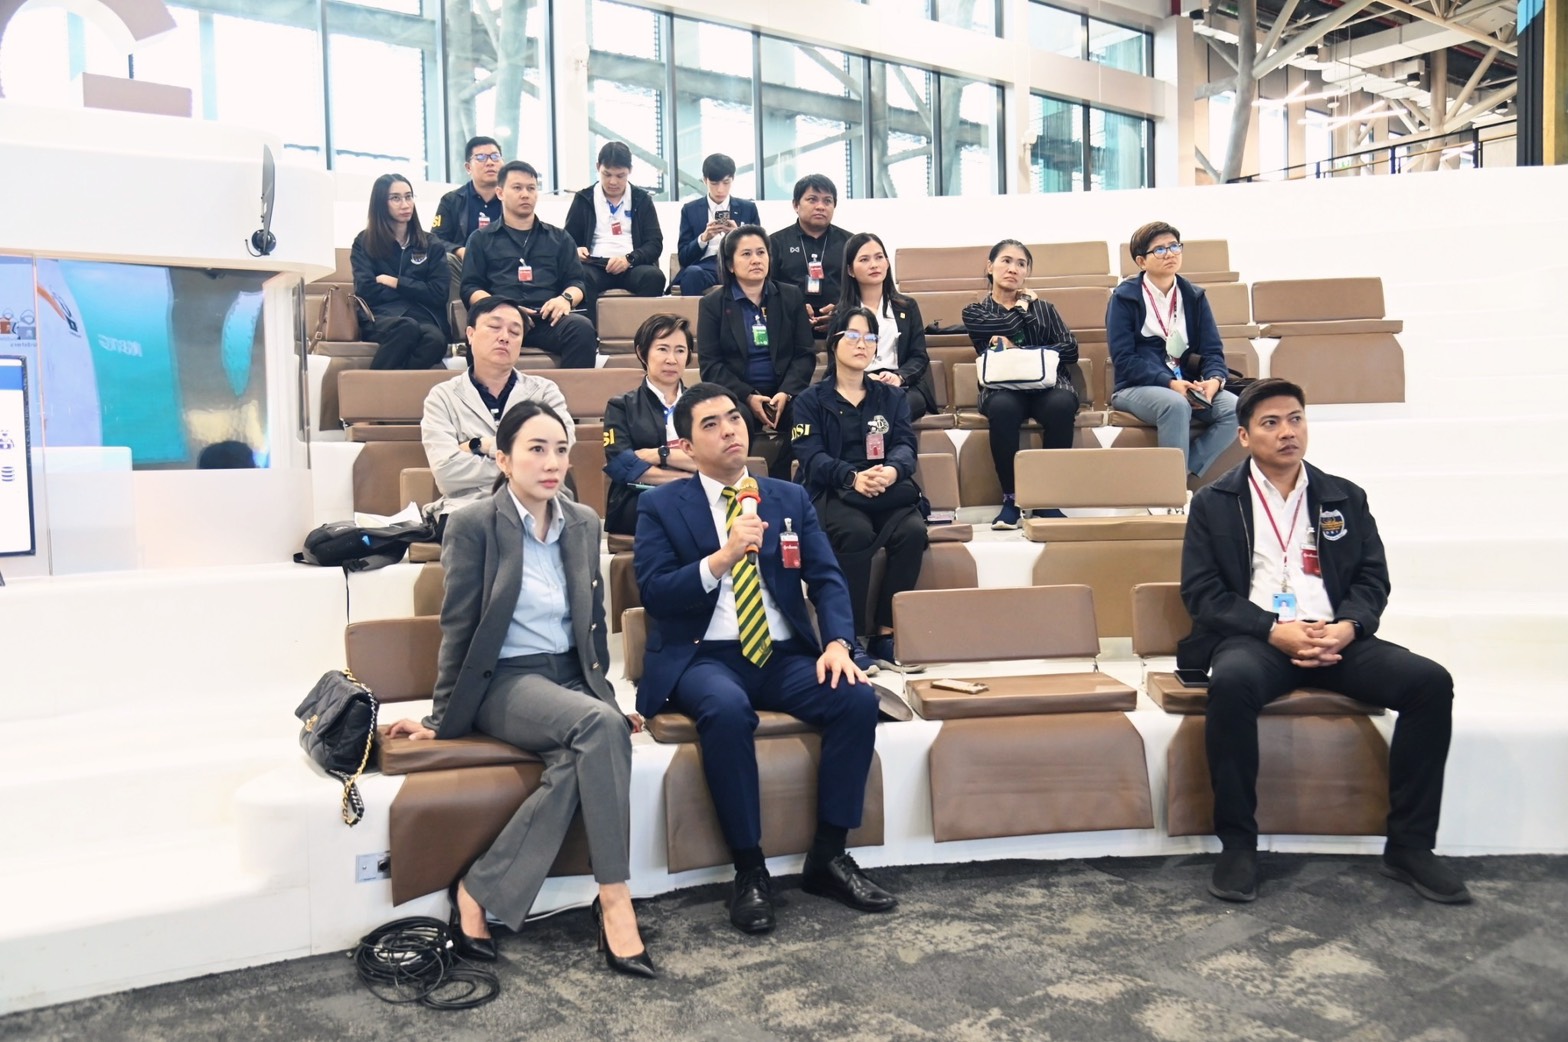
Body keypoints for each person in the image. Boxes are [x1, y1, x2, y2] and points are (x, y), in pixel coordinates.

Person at [386, 401, 657, 978]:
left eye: (561, 450)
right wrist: (441, 720)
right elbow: (459, 628)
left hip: (569, 679)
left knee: (587, 747)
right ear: (504, 460)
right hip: (505, 680)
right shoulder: (473, 525)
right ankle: (615, 899)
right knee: (599, 728)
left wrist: (604, 697)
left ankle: (478, 890)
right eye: (536, 449)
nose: (552, 462)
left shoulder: (583, 522)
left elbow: (591, 626)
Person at [1180, 378, 1468, 906]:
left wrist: (1349, 626)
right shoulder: (1213, 502)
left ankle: (1410, 847)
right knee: (1233, 685)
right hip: (1259, 638)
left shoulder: (1343, 496)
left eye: (1295, 419)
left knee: (1429, 683)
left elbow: (1372, 579)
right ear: (1243, 436)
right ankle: (1238, 845)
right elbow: (1203, 594)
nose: (1287, 432)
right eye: (1270, 423)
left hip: (1335, 635)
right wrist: (1272, 629)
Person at [633, 382, 897, 936]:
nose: (730, 430)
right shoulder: (660, 506)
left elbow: (826, 579)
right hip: (704, 657)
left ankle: (829, 856)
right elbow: (655, 593)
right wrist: (723, 556)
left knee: (854, 697)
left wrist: (837, 643)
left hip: (781, 654)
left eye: (734, 418)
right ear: (686, 446)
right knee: (726, 710)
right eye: (711, 424)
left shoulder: (788, 498)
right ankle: (749, 868)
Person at [792, 306, 928, 673]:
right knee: (854, 532)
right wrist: (852, 477)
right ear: (833, 341)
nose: (862, 344)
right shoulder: (810, 401)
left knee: (913, 532)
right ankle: (847, 638)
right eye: (852, 336)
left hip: (885, 487)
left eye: (870, 338)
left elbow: (905, 445)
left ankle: (885, 633)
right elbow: (810, 457)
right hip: (834, 490)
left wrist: (892, 471)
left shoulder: (891, 397)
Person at [961, 240, 1082, 530]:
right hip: (1001, 386)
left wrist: (1021, 350)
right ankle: (1011, 499)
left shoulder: (1047, 309)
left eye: (1021, 264)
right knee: (1002, 408)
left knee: (1062, 404)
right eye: (1006, 261)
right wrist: (1025, 305)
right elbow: (1009, 327)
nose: (1013, 269)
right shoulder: (976, 311)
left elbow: (1070, 349)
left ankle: (1046, 499)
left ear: (1027, 272)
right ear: (990, 267)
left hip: (1048, 385)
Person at [422, 296, 574, 523]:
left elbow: (560, 450)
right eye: (494, 327)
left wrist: (480, 445)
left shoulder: (544, 392)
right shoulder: (442, 397)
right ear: (470, 334)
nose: (504, 337)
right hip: (467, 509)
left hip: (539, 506)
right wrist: (525, 462)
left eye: (515, 332)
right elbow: (446, 473)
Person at [1107, 221, 1239, 481]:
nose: (1170, 254)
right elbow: (1124, 359)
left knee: (1235, 408)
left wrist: (1214, 380)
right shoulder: (1124, 298)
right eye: (1159, 250)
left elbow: (1213, 351)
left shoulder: (1194, 296)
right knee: (1175, 405)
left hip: (1187, 384)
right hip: (1136, 386)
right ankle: (1173, 490)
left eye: (1174, 246)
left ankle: (1178, 476)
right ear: (1141, 261)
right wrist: (1169, 383)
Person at [696, 224, 816, 479]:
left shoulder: (790, 296)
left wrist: (786, 393)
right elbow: (711, 365)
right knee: (736, 419)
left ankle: (784, 481)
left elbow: (804, 354)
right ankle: (741, 483)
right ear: (730, 265)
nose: (756, 260)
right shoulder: (713, 304)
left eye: (761, 253)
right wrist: (748, 396)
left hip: (785, 393)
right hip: (738, 395)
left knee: (807, 414)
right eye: (746, 254)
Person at [459, 160, 597, 370]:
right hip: (501, 318)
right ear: (500, 193)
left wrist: (565, 299)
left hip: (547, 319)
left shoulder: (560, 238)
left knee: (582, 329)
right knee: (479, 333)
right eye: (517, 188)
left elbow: (577, 283)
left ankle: (571, 392)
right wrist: (504, 307)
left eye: (531, 188)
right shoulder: (480, 239)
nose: (525, 194)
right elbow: (470, 287)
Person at [602, 313, 699, 535]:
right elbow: (622, 465)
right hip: (639, 497)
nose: (671, 359)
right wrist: (688, 478)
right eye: (663, 349)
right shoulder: (621, 406)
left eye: (680, 350)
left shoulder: (702, 404)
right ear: (642, 352)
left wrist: (659, 454)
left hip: (697, 496)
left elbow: (715, 460)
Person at [827, 232, 935, 420]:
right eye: (864, 259)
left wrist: (899, 377)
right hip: (857, 383)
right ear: (850, 270)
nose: (874, 265)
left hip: (901, 385)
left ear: (887, 263)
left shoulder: (907, 306)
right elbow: (834, 363)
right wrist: (863, 378)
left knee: (898, 404)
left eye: (879, 257)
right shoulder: (841, 313)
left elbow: (919, 356)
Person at [350, 173, 450, 371]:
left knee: (436, 340)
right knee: (406, 327)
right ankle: (374, 386)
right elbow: (366, 290)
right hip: (380, 316)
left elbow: (439, 293)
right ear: (381, 203)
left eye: (408, 196)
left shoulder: (431, 243)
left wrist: (396, 282)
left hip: (423, 316)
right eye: (395, 198)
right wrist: (418, 289)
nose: (405, 204)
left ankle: (394, 384)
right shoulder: (365, 241)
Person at [562, 141, 667, 321]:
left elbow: (654, 243)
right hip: (595, 265)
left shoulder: (641, 199)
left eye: (620, 176)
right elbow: (567, 241)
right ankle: (590, 333)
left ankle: (642, 332)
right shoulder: (584, 199)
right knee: (581, 277)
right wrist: (576, 250)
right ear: (598, 167)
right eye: (607, 174)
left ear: (630, 171)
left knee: (654, 277)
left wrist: (629, 259)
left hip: (632, 265)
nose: (613, 182)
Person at [768, 174, 852, 335]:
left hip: (841, 328)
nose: (820, 206)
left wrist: (843, 311)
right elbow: (768, 288)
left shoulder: (849, 242)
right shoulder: (775, 242)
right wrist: (792, 308)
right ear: (796, 205)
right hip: (789, 327)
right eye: (812, 200)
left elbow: (861, 288)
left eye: (827, 201)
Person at [673, 153, 760, 298]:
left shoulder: (748, 208)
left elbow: (759, 247)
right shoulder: (690, 210)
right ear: (705, 180)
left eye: (726, 183)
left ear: (733, 179)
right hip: (706, 267)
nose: (720, 189)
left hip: (738, 264)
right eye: (714, 183)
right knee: (692, 274)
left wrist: (737, 235)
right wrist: (703, 238)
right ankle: (695, 314)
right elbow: (683, 257)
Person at [431, 136, 504, 287]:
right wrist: (459, 250)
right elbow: (435, 240)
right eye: (481, 157)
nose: (490, 162)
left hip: (504, 267)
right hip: (465, 267)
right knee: (446, 260)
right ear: (468, 167)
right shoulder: (451, 200)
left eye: (495, 156)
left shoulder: (512, 198)